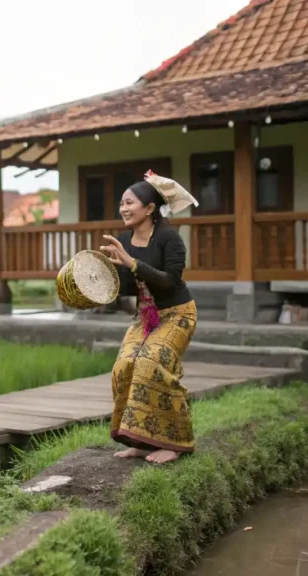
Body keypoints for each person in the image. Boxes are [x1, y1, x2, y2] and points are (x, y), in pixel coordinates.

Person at [98, 170, 199, 465]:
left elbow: (169, 281)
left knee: (152, 364)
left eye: (129, 202)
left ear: (150, 208)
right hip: (145, 316)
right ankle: (140, 442)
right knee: (123, 367)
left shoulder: (170, 239)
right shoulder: (123, 240)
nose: (123, 208)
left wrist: (132, 263)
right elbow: (126, 287)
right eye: (121, 203)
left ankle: (176, 444)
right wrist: (98, 285)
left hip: (177, 314)